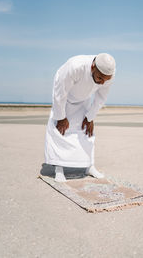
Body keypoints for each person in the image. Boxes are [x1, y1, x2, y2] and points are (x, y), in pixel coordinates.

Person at [44, 53, 116, 182]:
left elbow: (101, 98)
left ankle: (89, 166)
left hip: (84, 100)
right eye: (100, 78)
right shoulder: (75, 66)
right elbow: (60, 92)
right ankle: (59, 169)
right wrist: (61, 117)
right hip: (65, 98)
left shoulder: (108, 75)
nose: (102, 82)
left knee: (87, 133)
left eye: (106, 79)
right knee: (60, 131)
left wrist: (90, 117)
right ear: (93, 67)